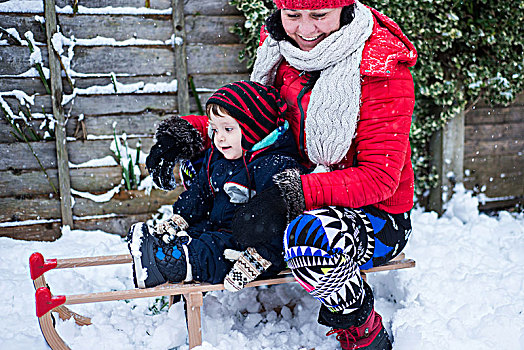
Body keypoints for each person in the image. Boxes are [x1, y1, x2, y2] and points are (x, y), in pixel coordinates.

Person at [146, 1, 417, 349]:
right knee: (208, 165)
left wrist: (289, 196)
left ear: (345, 9)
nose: (305, 31)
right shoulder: (282, 52)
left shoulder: (383, 72)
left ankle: (361, 329)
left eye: (319, 16)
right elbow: (255, 121)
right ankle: (200, 246)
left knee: (311, 238)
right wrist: (188, 133)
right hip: (292, 179)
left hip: (374, 215)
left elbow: (379, 179)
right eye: (293, 16)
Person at [128, 81, 305, 291]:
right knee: (196, 234)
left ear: (253, 128)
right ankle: (158, 251)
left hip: (249, 249)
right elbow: (201, 190)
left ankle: (170, 264)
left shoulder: (274, 165)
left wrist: (263, 255)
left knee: (212, 250)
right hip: (218, 224)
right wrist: (182, 216)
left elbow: (280, 219)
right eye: (215, 129)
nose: (219, 138)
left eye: (228, 129)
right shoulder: (220, 154)